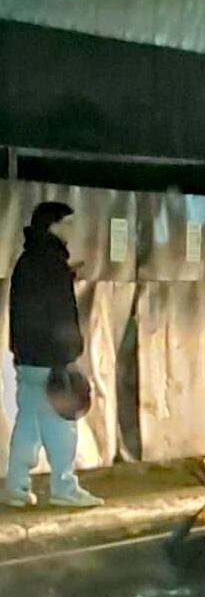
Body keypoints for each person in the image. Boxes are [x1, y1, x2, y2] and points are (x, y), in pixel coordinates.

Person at [5, 202, 102, 508]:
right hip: (52, 360)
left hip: (28, 358)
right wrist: (70, 355)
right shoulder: (52, 262)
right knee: (62, 423)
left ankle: (16, 486)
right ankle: (64, 487)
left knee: (29, 424)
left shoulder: (29, 260)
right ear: (53, 225)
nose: (72, 230)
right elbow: (59, 314)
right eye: (68, 224)